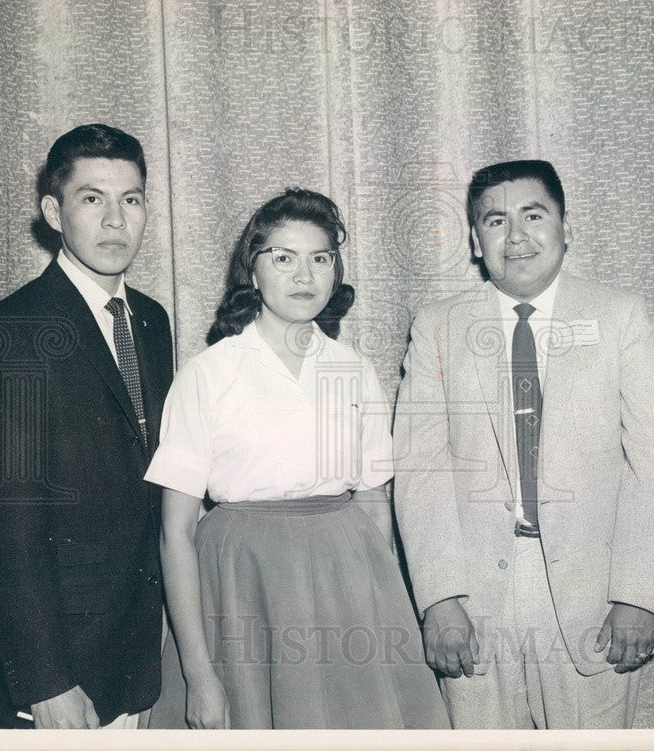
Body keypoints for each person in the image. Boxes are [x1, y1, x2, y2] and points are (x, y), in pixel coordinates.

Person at [393, 160, 654, 729]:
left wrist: (638, 594)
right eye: (496, 221)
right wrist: (439, 598)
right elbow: (420, 469)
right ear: (476, 241)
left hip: (595, 595)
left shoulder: (621, 316)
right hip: (474, 593)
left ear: (565, 227)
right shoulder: (437, 326)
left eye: (534, 214)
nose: (517, 235)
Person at [146, 188, 450, 730]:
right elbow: (176, 534)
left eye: (320, 258)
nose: (304, 275)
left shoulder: (352, 370)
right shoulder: (210, 374)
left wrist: (367, 609)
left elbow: (375, 503)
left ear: (336, 271)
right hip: (241, 589)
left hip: (346, 589)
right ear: (253, 272)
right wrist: (199, 673)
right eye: (283, 258)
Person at [0, 124, 174, 729]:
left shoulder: (151, 323)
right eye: (91, 198)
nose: (114, 221)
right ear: (53, 212)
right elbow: (0, 528)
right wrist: (44, 681)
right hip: (61, 673)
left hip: (138, 661)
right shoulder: (9, 334)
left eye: (130, 199)